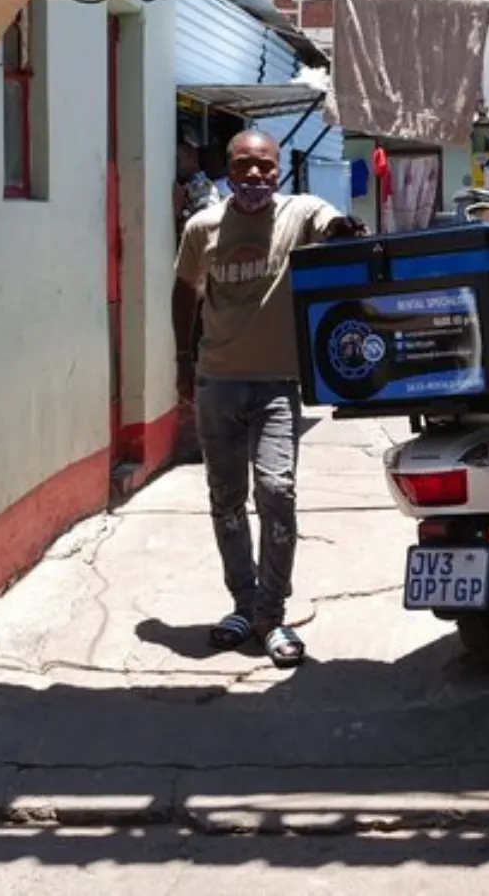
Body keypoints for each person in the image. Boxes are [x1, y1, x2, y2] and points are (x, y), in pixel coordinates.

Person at [172, 128, 363, 667]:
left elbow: (331, 223)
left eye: (264, 165)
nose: (254, 175)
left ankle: (272, 614)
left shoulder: (298, 213)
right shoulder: (202, 226)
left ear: (279, 168)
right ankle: (243, 604)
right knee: (225, 500)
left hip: (278, 385)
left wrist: (344, 228)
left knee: (276, 492)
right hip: (218, 382)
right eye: (242, 165)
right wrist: (184, 363)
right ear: (227, 170)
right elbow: (184, 290)